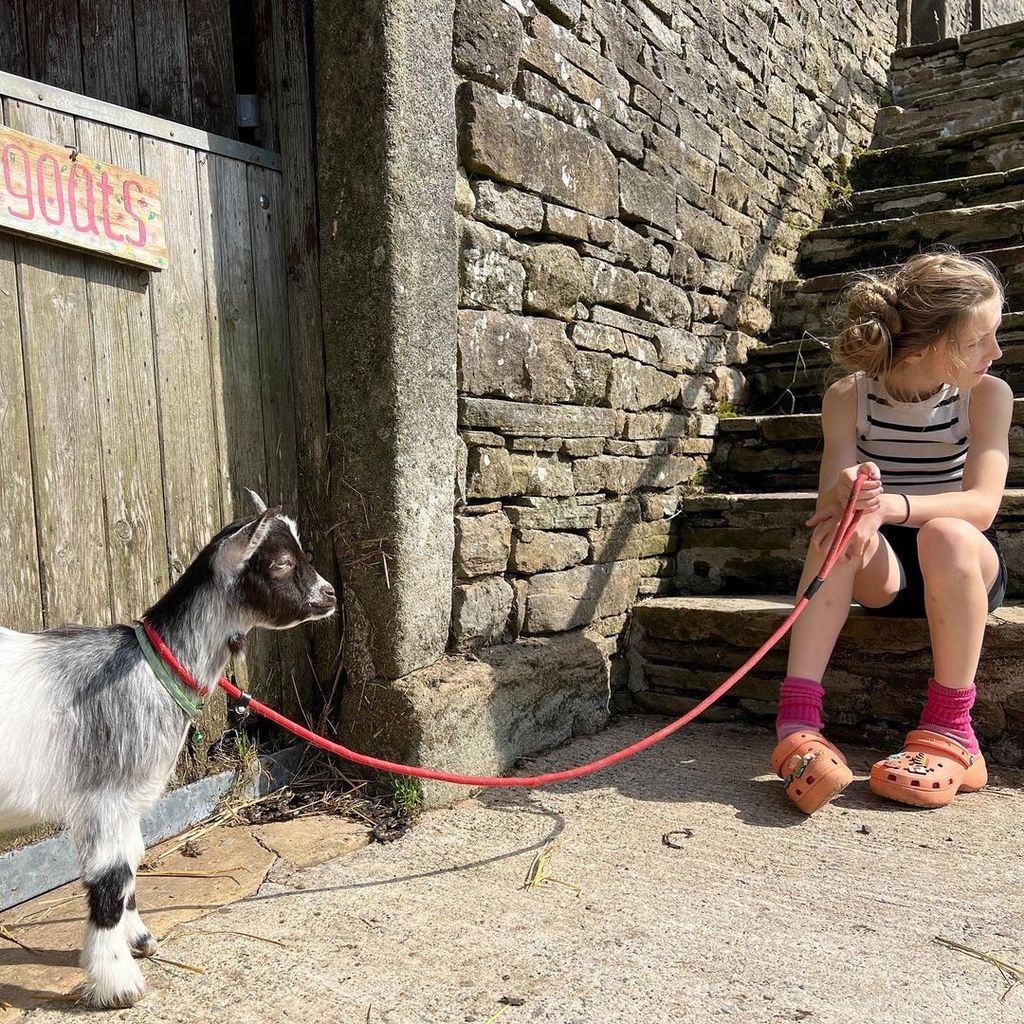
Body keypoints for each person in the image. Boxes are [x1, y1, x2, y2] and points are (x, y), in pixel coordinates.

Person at [771, 249, 1011, 813]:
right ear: (928, 348)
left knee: (946, 533)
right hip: (886, 572)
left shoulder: (986, 395)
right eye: (980, 339)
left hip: (963, 563)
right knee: (833, 531)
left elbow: (981, 505)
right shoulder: (847, 397)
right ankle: (798, 718)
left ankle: (954, 729)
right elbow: (833, 497)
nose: (996, 352)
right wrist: (852, 490)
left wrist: (893, 506)